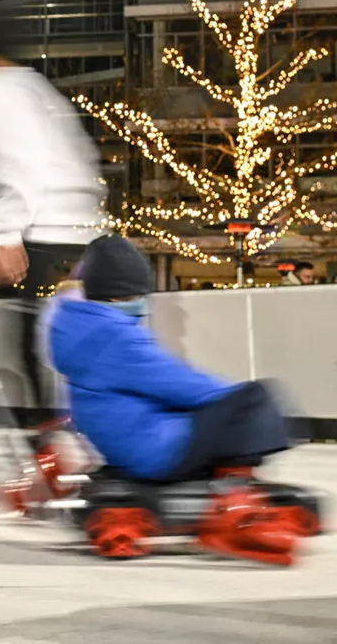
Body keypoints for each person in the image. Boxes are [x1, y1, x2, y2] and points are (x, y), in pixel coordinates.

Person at [46, 234, 297, 561]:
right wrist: (233, 401)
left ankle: (226, 487)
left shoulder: (80, 329)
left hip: (128, 443)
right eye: (140, 294)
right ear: (124, 294)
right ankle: (235, 501)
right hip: (156, 450)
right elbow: (183, 386)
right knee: (254, 398)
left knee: (226, 411)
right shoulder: (116, 338)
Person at [0, 10, 102, 419]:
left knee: (30, 343)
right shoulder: (34, 86)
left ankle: (49, 448)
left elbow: (18, 166)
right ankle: (85, 435)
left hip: (43, 230)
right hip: (80, 228)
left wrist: (7, 236)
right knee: (70, 340)